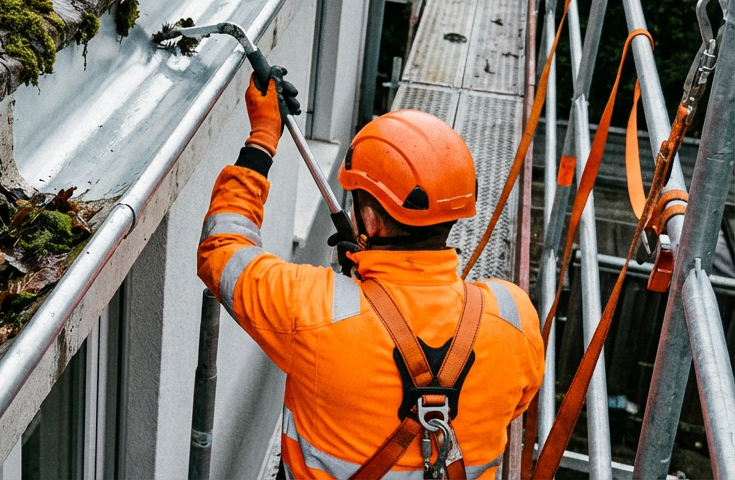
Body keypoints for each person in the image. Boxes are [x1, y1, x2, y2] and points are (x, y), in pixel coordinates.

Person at [197, 74, 544, 479]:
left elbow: (222, 248)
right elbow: (515, 403)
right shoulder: (514, 317)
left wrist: (262, 139)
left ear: (372, 217)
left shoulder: (313, 309)